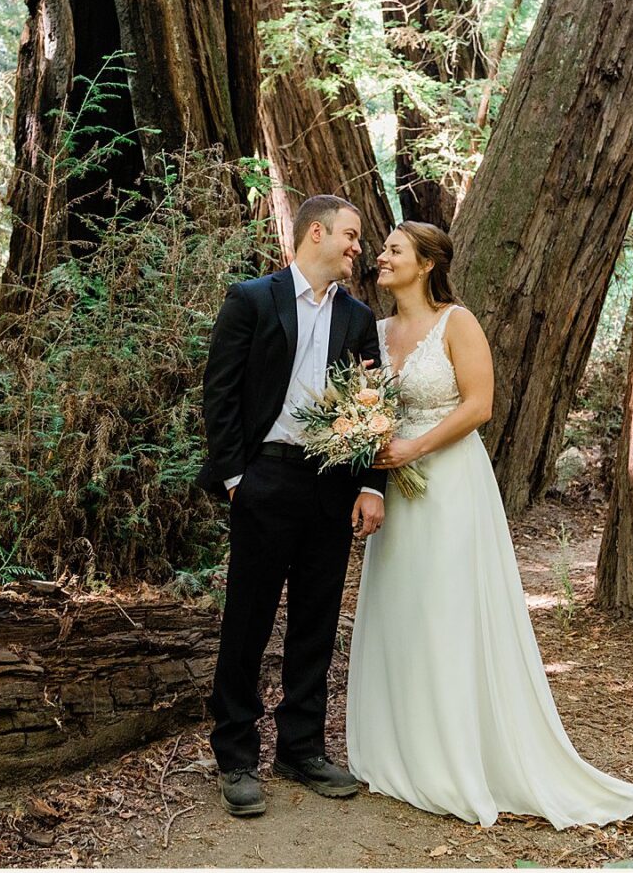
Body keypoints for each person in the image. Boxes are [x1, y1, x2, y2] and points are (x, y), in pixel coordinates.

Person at [346, 220, 633, 828]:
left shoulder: (457, 323)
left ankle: (459, 755)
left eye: (393, 250)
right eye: (382, 249)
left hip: (451, 484)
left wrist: (413, 450)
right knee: (403, 608)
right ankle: (401, 748)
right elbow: (368, 407)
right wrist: (374, 452)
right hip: (398, 490)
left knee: (449, 608)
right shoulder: (376, 330)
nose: (380, 258)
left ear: (427, 263)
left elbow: (479, 405)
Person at [196, 194, 388, 817]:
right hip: (265, 481)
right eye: (352, 236)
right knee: (247, 619)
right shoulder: (252, 299)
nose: (359, 247)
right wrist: (233, 480)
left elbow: (372, 405)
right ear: (315, 234)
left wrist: (369, 484)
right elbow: (219, 394)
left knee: (316, 621)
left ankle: (301, 747)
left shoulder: (358, 319)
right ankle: (236, 755)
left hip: (329, 486)